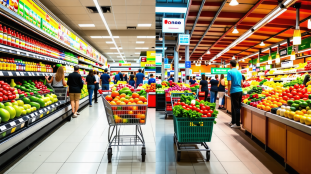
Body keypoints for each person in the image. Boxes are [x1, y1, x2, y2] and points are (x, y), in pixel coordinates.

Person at [227, 60, 243, 128]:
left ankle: (237, 124)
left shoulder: (229, 71)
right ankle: (233, 121)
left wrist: (228, 91)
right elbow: (242, 83)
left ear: (230, 64)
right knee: (236, 107)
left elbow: (229, 83)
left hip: (234, 91)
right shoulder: (239, 72)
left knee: (235, 107)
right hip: (240, 91)